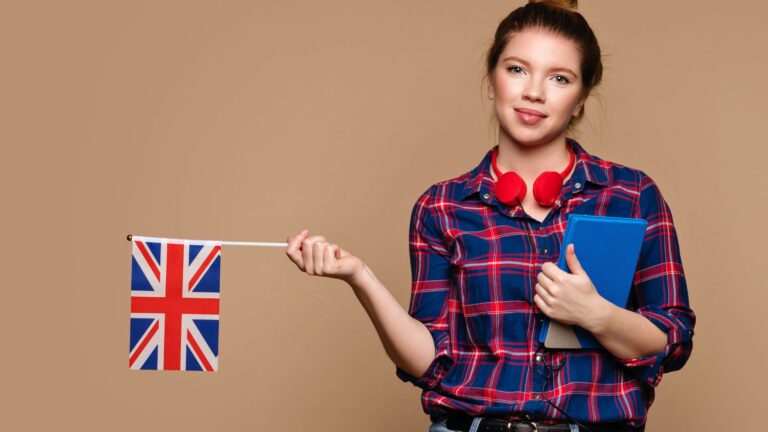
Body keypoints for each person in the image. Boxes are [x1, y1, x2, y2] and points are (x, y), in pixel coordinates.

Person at [285, 0, 695, 430]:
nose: (534, 92)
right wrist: (359, 276)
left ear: (580, 100)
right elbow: (430, 360)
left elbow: (674, 340)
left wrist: (597, 314)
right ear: (491, 81)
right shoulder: (442, 207)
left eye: (559, 78)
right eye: (517, 69)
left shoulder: (631, 195)